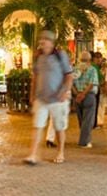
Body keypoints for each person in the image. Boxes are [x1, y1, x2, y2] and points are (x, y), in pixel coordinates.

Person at [24, 31, 73, 165]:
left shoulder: (60, 55)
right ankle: (33, 154)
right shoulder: (38, 57)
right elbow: (35, 77)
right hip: (41, 98)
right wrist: (32, 95)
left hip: (58, 98)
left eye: (45, 40)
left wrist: (65, 91)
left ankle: (60, 152)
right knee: (37, 125)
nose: (42, 43)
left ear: (51, 42)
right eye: (41, 40)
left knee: (59, 127)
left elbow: (69, 75)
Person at [72, 51, 99, 148]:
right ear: (89, 60)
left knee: (81, 119)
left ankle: (85, 138)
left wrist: (77, 94)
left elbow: (71, 83)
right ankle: (84, 141)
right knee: (88, 120)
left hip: (78, 97)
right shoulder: (92, 69)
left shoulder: (75, 69)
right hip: (89, 96)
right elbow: (92, 84)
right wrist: (83, 94)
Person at [92, 52, 107, 128]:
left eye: (99, 57)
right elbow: (101, 79)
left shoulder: (95, 66)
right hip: (96, 89)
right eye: (97, 57)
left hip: (92, 90)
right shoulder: (95, 67)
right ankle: (96, 123)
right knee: (97, 106)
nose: (99, 59)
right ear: (93, 58)